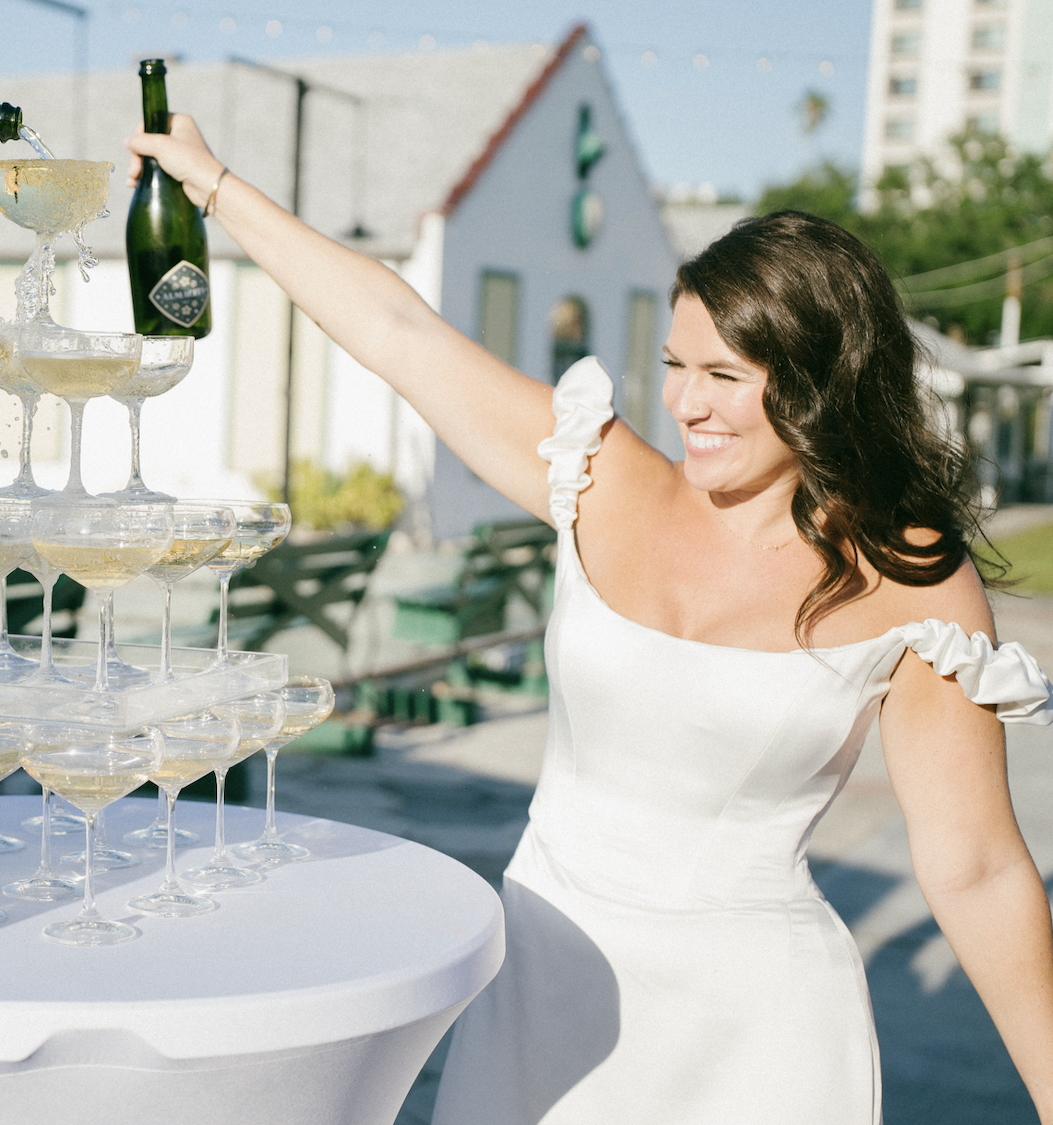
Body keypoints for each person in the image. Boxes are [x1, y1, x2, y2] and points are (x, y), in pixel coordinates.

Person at [126, 117, 1053, 1122]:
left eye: (726, 377)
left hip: (757, 1034)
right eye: (676, 364)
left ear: (819, 385)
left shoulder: (905, 582)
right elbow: (401, 332)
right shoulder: (595, 475)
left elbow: (973, 867)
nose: (686, 405)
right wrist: (214, 185)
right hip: (541, 988)